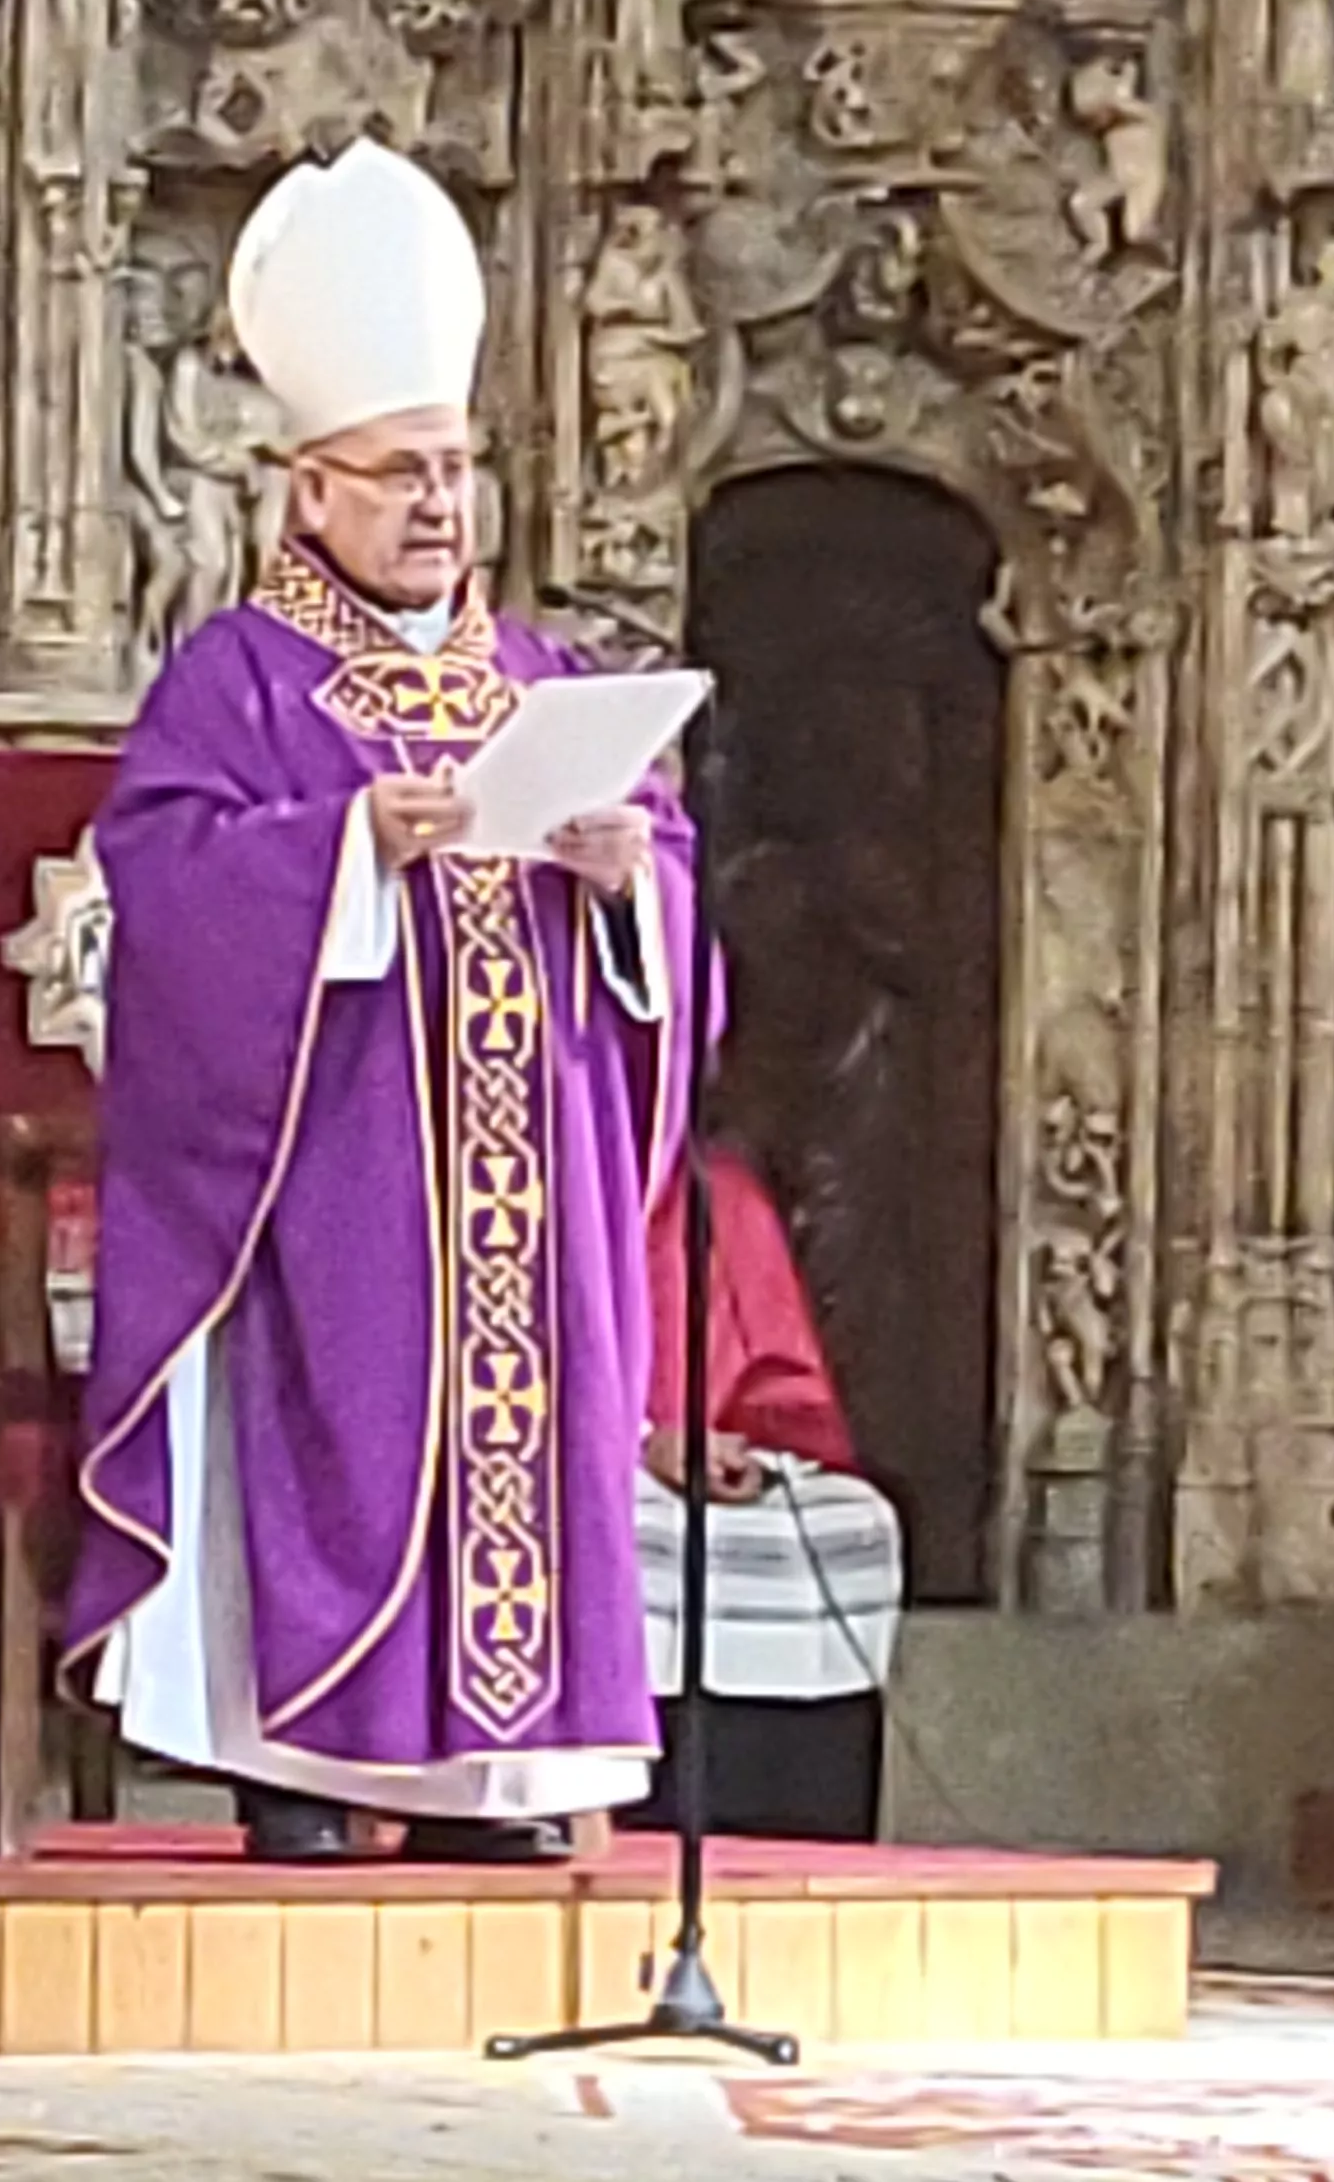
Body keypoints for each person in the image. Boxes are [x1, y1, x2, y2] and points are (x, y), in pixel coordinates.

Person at [69, 139, 705, 1866]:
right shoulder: (241, 680)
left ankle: (498, 1785)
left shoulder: (545, 678)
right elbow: (167, 893)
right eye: (402, 472)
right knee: (343, 1435)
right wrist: (343, 847)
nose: (441, 503)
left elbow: (668, 890)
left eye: (460, 469)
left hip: (530, 1169)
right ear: (309, 494)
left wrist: (622, 876)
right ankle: (305, 1756)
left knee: (530, 1437)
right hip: (341, 1171)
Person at [630, 1142, 903, 1841]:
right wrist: (637, 1438)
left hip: (707, 1446)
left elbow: (775, 1372)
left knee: (853, 1523)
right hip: (584, 1461)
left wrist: (755, 1443)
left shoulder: (715, 1189)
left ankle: (796, 1823)